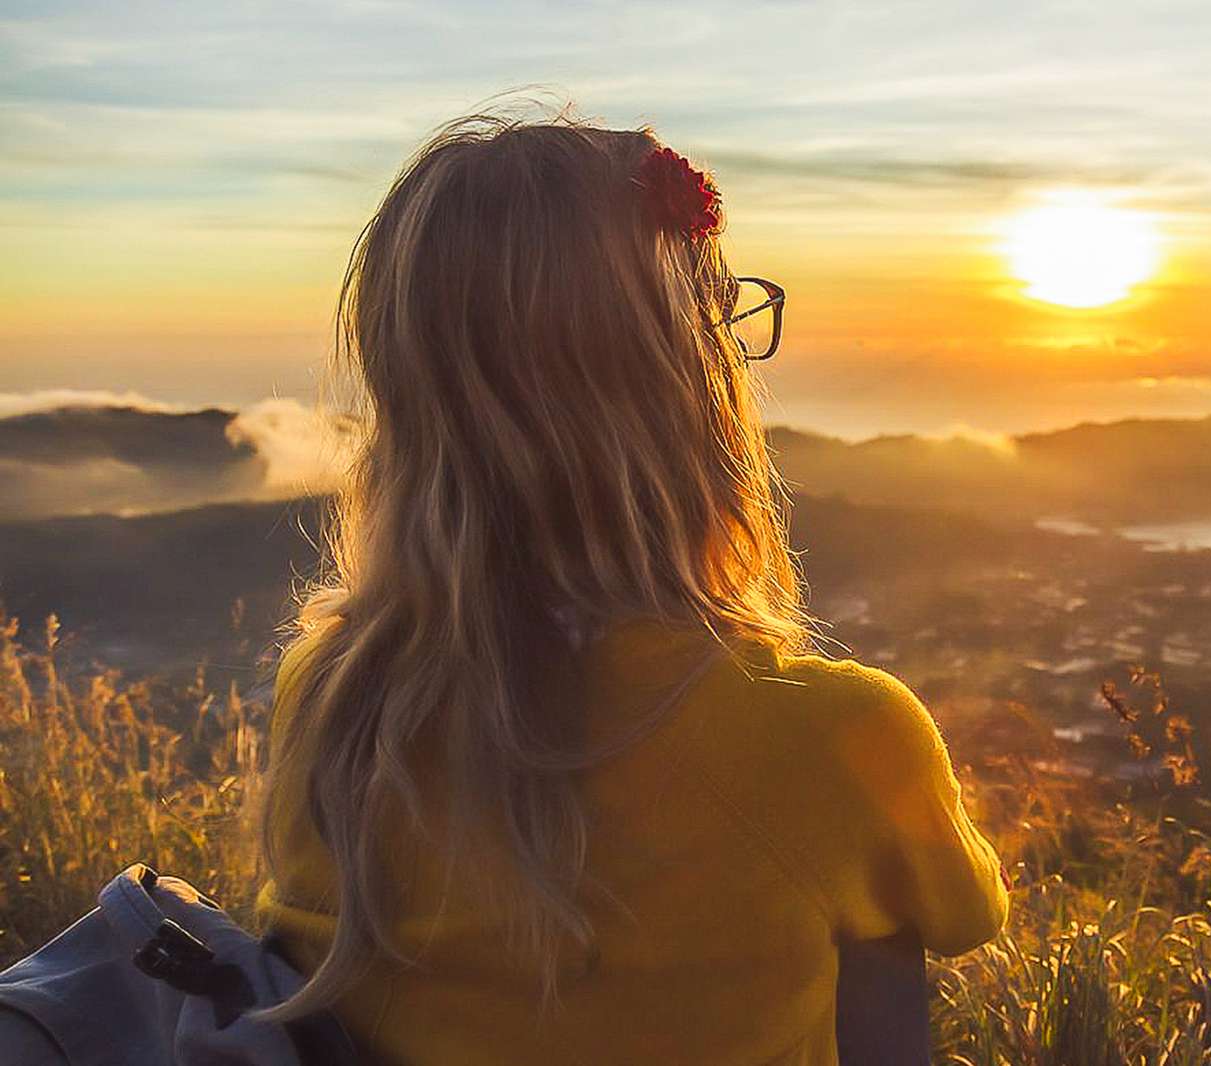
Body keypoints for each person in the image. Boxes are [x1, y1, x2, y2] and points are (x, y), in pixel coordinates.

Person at [254, 111, 1008, 1064]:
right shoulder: (835, 742)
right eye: (725, 319)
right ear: (685, 385)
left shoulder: (329, 699)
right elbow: (950, 928)